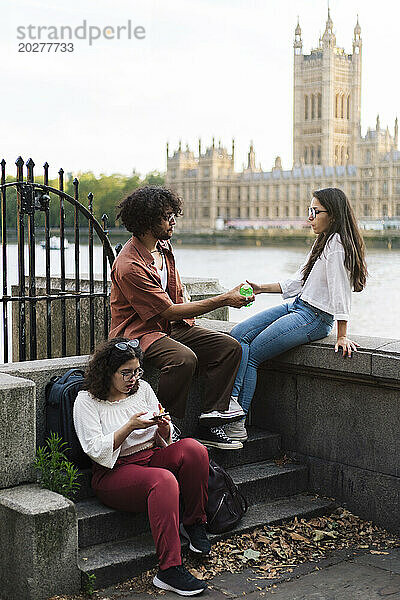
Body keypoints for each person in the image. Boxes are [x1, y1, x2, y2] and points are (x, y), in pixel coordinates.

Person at [109, 185, 254, 450]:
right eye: (167, 216)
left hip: (171, 327)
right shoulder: (129, 265)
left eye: (173, 214)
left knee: (229, 347)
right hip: (139, 333)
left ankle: (210, 421)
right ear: (147, 221)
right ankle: (164, 426)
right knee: (183, 359)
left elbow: (174, 297)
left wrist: (184, 297)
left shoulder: (163, 248)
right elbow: (168, 310)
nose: (173, 220)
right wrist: (224, 298)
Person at [226, 188, 368, 442]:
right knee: (238, 335)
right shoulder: (324, 240)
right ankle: (230, 405)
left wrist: (342, 334)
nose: (310, 217)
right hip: (297, 305)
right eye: (309, 211)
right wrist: (261, 287)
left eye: (315, 211)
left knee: (253, 354)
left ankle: (236, 419)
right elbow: (299, 281)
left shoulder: (336, 245)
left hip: (314, 317)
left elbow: (341, 291)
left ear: (333, 215)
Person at [73, 337, 210, 596]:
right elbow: (95, 450)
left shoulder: (144, 389)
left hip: (149, 456)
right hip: (113, 474)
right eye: (126, 373)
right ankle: (169, 570)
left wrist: (163, 426)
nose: (133, 378)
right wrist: (129, 427)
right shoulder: (87, 402)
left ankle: (194, 523)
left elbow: (165, 440)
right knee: (163, 480)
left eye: (137, 371)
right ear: (107, 373)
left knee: (194, 449)